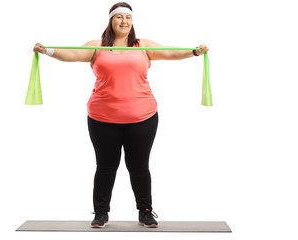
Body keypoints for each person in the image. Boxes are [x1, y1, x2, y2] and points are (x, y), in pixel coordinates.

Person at [33, 2, 209, 229]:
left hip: (142, 117)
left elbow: (170, 52)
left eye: (128, 17)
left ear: (132, 21)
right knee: (105, 166)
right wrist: (46, 50)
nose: (124, 21)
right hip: (102, 118)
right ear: (111, 21)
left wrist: (195, 51)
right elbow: (72, 54)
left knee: (139, 166)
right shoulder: (97, 46)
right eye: (119, 17)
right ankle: (101, 213)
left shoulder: (142, 45)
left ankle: (145, 212)